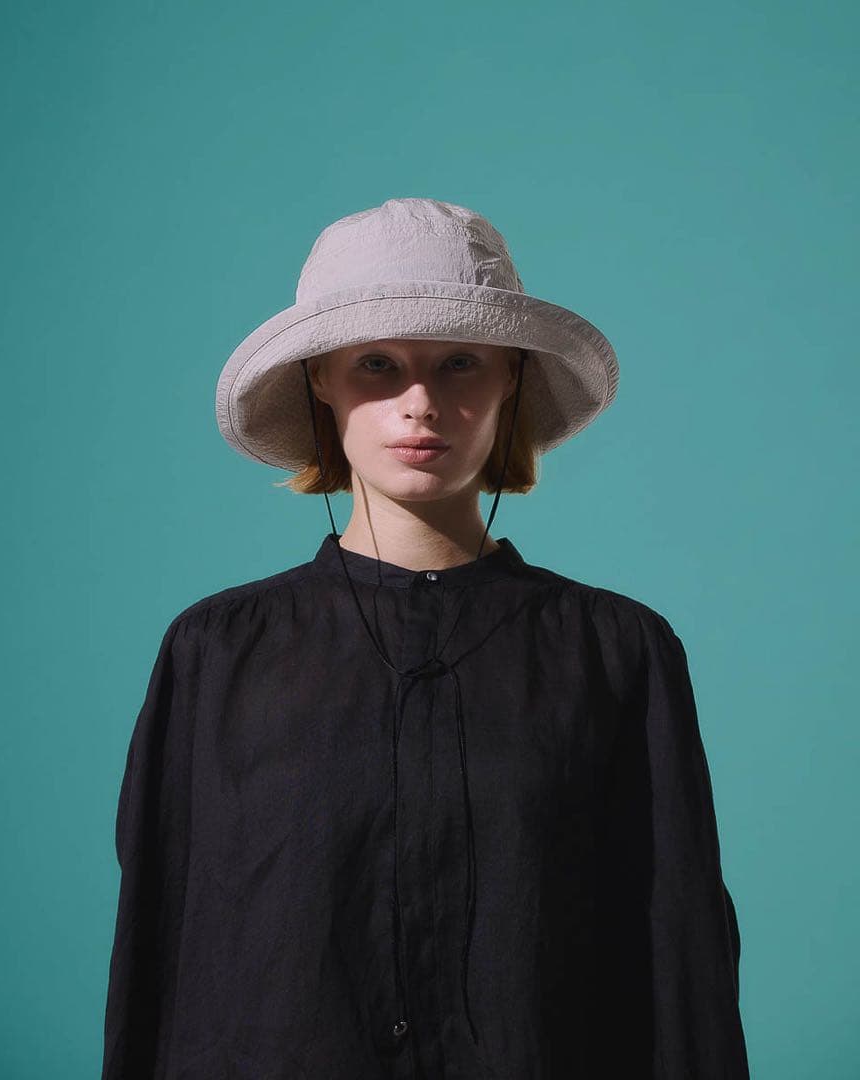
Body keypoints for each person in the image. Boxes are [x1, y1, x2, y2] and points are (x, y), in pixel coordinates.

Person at [100, 197, 751, 1078]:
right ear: (320, 379)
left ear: (510, 378)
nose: (421, 403)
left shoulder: (617, 652)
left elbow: (683, 961)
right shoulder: (216, 652)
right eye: (377, 364)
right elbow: (158, 953)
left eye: (459, 363)